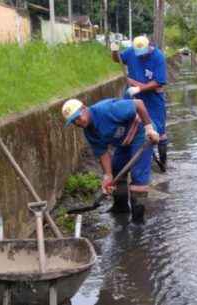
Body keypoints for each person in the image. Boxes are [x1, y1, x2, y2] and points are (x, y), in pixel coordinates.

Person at [62, 98, 160, 216]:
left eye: (78, 117)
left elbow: (139, 104)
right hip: (124, 142)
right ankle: (121, 209)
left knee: (138, 177)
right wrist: (107, 176)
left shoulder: (106, 110)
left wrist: (149, 129)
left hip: (141, 133)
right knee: (115, 171)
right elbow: (103, 153)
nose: (78, 122)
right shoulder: (89, 132)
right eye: (73, 121)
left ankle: (137, 221)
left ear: (84, 108)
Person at [110, 35, 170, 171]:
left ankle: (163, 162)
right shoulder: (131, 52)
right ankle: (132, 159)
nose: (141, 57)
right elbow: (118, 59)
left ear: (149, 47)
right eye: (139, 55)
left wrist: (139, 87)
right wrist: (114, 51)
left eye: (143, 55)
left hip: (153, 98)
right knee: (130, 126)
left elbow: (159, 82)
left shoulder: (158, 57)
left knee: (159, 130)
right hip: (133, 95)